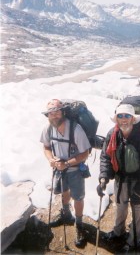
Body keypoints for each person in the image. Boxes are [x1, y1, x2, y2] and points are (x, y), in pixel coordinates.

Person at [97, 103, 140, 252]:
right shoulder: (112, 134)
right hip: (120, 179)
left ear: (133, 119)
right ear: (116, 118)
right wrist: (103, 177)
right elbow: (105, 156)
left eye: (127, 116)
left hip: (138, 181)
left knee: (138, 210)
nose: (123, 119)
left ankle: (134, 240)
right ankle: (118, 232)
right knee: (120, 206)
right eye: (120, 116)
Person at [40, 99, 91, 248]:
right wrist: (51, 160)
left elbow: (85, 153)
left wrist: (67, 164)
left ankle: (79, 224)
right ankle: (66, 214)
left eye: (56, 112)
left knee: (78, 197)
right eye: (50, 113)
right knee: (64, 191)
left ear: (63, 112)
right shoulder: (48, 128)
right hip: (59, 168)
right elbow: (46, 147)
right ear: (47, 116)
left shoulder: (75, 129)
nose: (54, 116)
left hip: (74, 169)